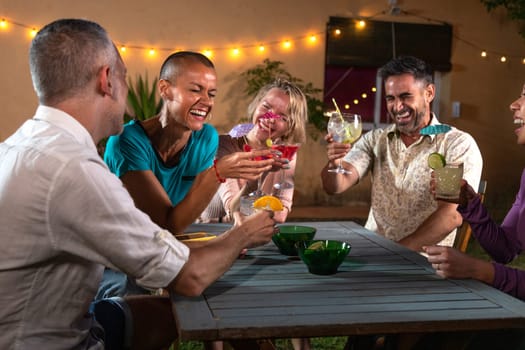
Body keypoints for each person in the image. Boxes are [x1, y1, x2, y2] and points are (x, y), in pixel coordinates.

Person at [0, 18, 276, 349]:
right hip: (53, 341)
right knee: (201, 303)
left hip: (66, 316)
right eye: (125, 77)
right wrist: (244, 233)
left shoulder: (18, 146)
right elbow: (189, 277)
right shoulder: (76, 171)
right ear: (107, 80)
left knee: (169, 313)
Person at [97, 51, 276, 299]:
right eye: (195, 90)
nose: (206, 101)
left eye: (211, 94)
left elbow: (182, 219)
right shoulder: (126, 142)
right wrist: (218, 173)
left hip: (159, 245)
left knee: (234, 288)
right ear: (165, 89)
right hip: (114, 260)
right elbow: (165, 223)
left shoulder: (206, 138)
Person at [321, 55, 483, 252]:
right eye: (391, 98)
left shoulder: (453, 144)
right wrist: (334, 164)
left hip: (424, 264)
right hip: (372, 253)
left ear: (429, 93)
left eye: (406, 96)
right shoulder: (376, 139)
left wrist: (396, 253)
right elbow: (335, 187)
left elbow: (450, 216)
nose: (397, 107)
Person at [200, 78, 308, 224]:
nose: (270, 118)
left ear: (290, 127)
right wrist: (263, 172)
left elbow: (281, 213)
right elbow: (233, 211)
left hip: (251, 233)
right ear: (256, 106)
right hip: (209, 232)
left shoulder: (284, 152)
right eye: (266, 107)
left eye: (282, 117)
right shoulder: (223, 146)